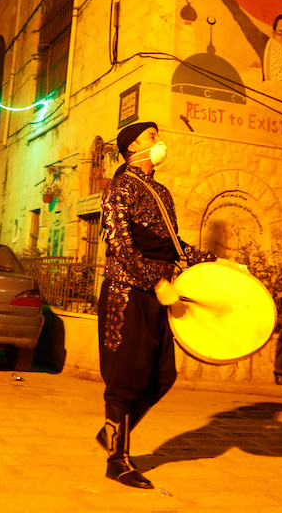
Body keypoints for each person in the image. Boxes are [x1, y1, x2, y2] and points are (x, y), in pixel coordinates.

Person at [97, 121, 218, 489]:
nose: (160, 141)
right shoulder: (119, 187)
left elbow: (173, 246)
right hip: (127, 292)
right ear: (133, 146)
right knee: (126, 377)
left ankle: (111, 432)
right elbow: (120, 244)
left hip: (161, 293)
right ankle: (117, 460)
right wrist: (155, 281)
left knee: (162, 376)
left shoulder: (161, 191)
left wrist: (215, 262)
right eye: (152, 137)